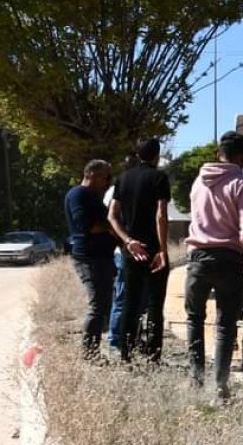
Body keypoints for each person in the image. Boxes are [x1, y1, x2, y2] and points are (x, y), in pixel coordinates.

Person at [184, 131, 243, 403]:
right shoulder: (242, 183)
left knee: (194, 319)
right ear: (241, 158)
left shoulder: (197, 183)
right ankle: (220, 389)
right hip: (228, 262)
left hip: (197, 259)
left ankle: (195, 379)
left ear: (218, 154)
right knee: (225, 325)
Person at [108, 138, 171, 363]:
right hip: (154, 250)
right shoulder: (159, 177)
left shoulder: (122, 178)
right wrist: (162, 250)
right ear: (156, 155)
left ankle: (126, 354)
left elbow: (112, 215)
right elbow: (161, 215)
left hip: (131, 251)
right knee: (155, 304)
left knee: (130, 303)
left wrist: (127, 241)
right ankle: (153, 355)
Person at [63, 159, 117, 357]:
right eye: (105, 176)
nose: (107, 181)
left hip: (100, 257)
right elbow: (85, 226)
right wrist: (111, 229)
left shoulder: (92, 196)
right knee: (97, 305)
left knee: (103, 304)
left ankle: (94, 349)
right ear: (92, 174)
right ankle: (89, 352)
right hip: (89, 258)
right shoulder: (79, 194)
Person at [105, 154, 143, 351]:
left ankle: (127, 339)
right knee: (122, 297)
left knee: (131, 298)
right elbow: (111, 221)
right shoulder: (116, 190)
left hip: (129, 249)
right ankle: (115, 340)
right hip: (124, 251)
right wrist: (124, 242)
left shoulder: (121, 187)